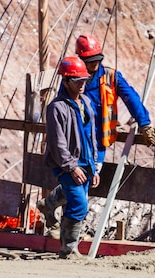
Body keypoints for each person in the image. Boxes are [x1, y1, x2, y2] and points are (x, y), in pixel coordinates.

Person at [37, 33, 155, 238]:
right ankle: (69, 239)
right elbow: (62, 108)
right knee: (78, 190)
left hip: (97, 144)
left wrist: (144, 123)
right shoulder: (72, 77)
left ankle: (52, 208)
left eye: (97, 60)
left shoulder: (111, 76)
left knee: (83, 186)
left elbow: (130, 97)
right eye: (89, 61)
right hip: (74, 142)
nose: (94, 65)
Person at [44, 56, 100, 258]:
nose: (83, 85)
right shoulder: (56, 108)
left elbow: (91, 136)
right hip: (66, 164)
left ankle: (48, 204)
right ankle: (68, 249)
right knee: (79, 205)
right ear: (66, 81)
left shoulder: (86, 102)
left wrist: (94, 166)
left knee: (75, 199)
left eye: (84, 80)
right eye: (78, 81)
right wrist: (71, 167)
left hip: (85, 162)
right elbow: (57, 143)